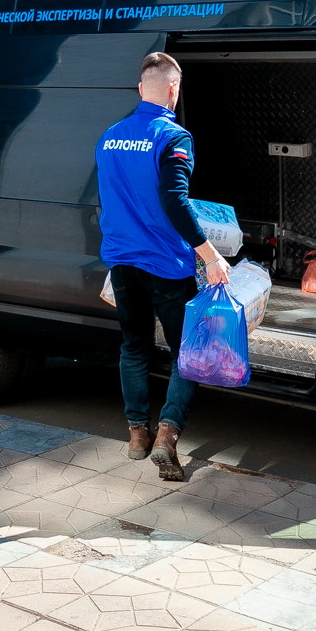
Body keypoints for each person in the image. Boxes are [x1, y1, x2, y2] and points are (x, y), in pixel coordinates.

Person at [96, 52, 230, 482]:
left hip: (122, 262)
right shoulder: (174, 137)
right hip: (166, 265)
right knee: (186, 353)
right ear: (174, 89)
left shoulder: (109, 137)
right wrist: (210, 255)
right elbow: (175, 200)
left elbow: (111, 199)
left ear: (141, 88)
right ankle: (167, 435)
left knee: (134, 347)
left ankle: (137, 433)